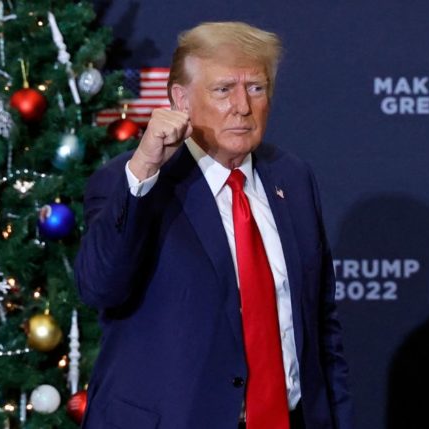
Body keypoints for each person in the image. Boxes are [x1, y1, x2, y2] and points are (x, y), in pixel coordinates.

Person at [75, 21, 352, 429]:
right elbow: (99, 286)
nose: (243, 106)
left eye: (255, 88)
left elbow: (321, 325)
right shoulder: (134, 181)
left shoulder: (292, 177)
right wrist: (144, 169)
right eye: (224, 90)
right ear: (179, 100)